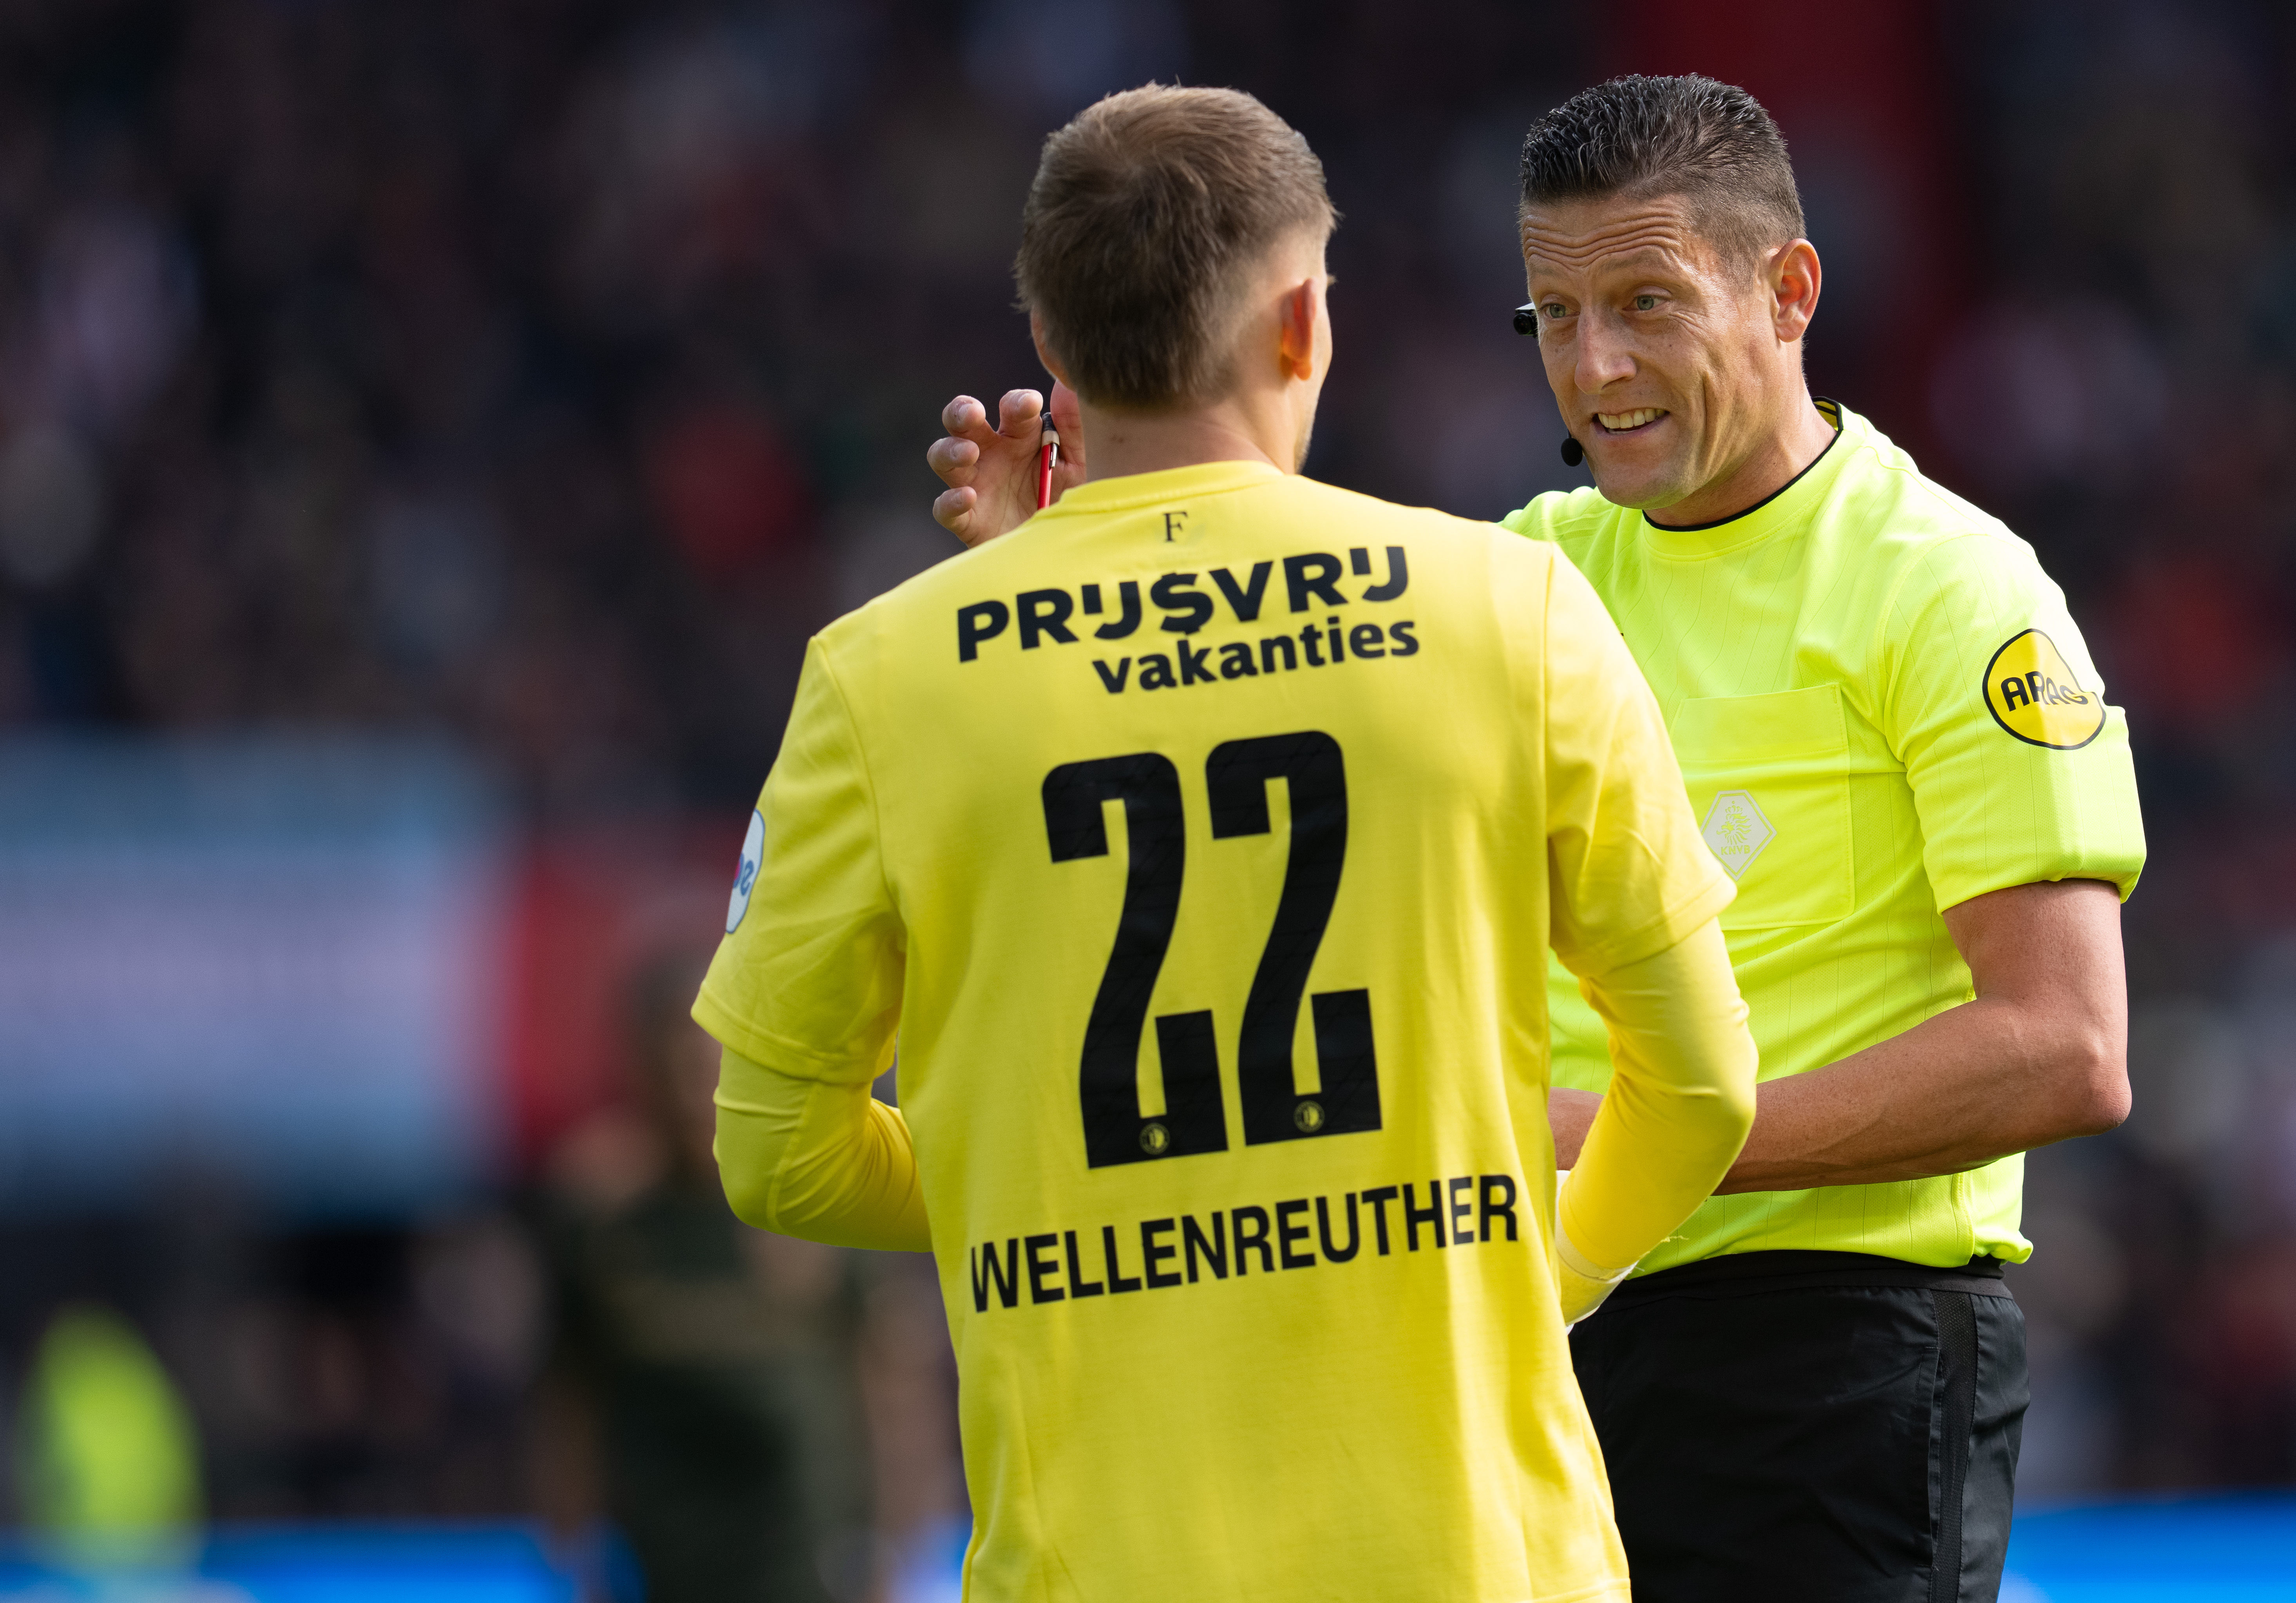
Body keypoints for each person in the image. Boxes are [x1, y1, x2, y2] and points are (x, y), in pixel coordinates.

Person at [926, 73, 2146, 1603]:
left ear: (1788, 292)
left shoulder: (1950, 592)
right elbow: (1239, 839)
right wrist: (1065, 600)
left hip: (1829, 1343)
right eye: (1551, 319)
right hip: (1526, 1339)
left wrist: (1658, 1141)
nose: (1595, 366)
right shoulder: (1519, 580)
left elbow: (2064, 1046)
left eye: (1644, 303)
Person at [697, 84, 1759, 1603]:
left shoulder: (883, 680)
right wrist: (1554, 1273)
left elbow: (773, 1154)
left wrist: (1061, 1177)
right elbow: (1704, 1087)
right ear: (1302, 326)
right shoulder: (1512, 615)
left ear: (1052, 354)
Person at [539, 954, 871, 1603]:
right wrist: (574, 1558)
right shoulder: (603, 1223)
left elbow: (886, 1382)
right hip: (662, 1577)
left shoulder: (810, 1205)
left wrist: (891, 1559)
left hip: (806, 1580)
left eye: (712, 1067)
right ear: (640, 1072)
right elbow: (566, 1399)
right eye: (678, 1068)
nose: (698, 1093)